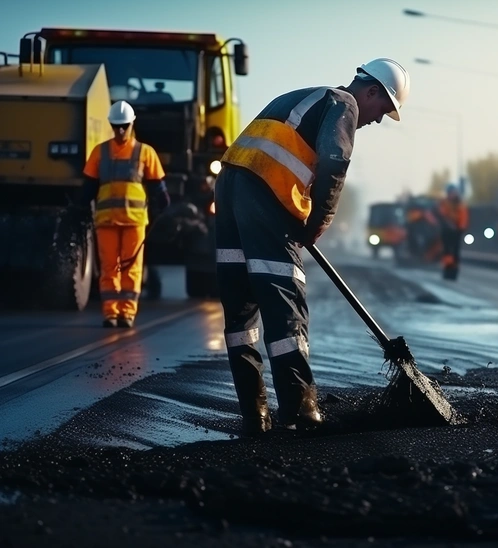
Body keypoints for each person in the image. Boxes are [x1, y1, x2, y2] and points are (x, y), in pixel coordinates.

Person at [214, 58, 410, 435]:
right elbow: (335, 162)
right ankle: (299, 408)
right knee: (284, 296)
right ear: (371, 91)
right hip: (262, 193)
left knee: (240, 308)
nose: (379, 119)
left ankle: (255, 415)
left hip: (230, 190)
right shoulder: (344, 104)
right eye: (383, 109)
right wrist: (319, 221)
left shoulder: (301, 97)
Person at [77, 100, 170, 328]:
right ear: (111, 124)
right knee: (109, 267)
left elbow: (158, 185)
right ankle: (110, 313)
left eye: (124, 125)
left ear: (131, 124)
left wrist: (163, 201)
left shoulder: (145, 152)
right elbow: (89, 186)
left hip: (134, 221)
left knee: (131, 268)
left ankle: (127, 314)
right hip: (106, 221)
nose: (120, 130)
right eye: (116, 125)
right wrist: (78, 207)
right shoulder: (100, 152)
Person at [437, 183, 469, 280]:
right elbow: (442, 214)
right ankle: (447, 270)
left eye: (454, 192)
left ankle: (454, 272)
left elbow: (464, 217)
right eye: (451, 192)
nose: (453, 194)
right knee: (447, 251)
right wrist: (448, 224)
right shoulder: (444, 203)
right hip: (447, 230)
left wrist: (461, 228)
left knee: (455, 252)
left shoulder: (460, 204)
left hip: (457, 231)